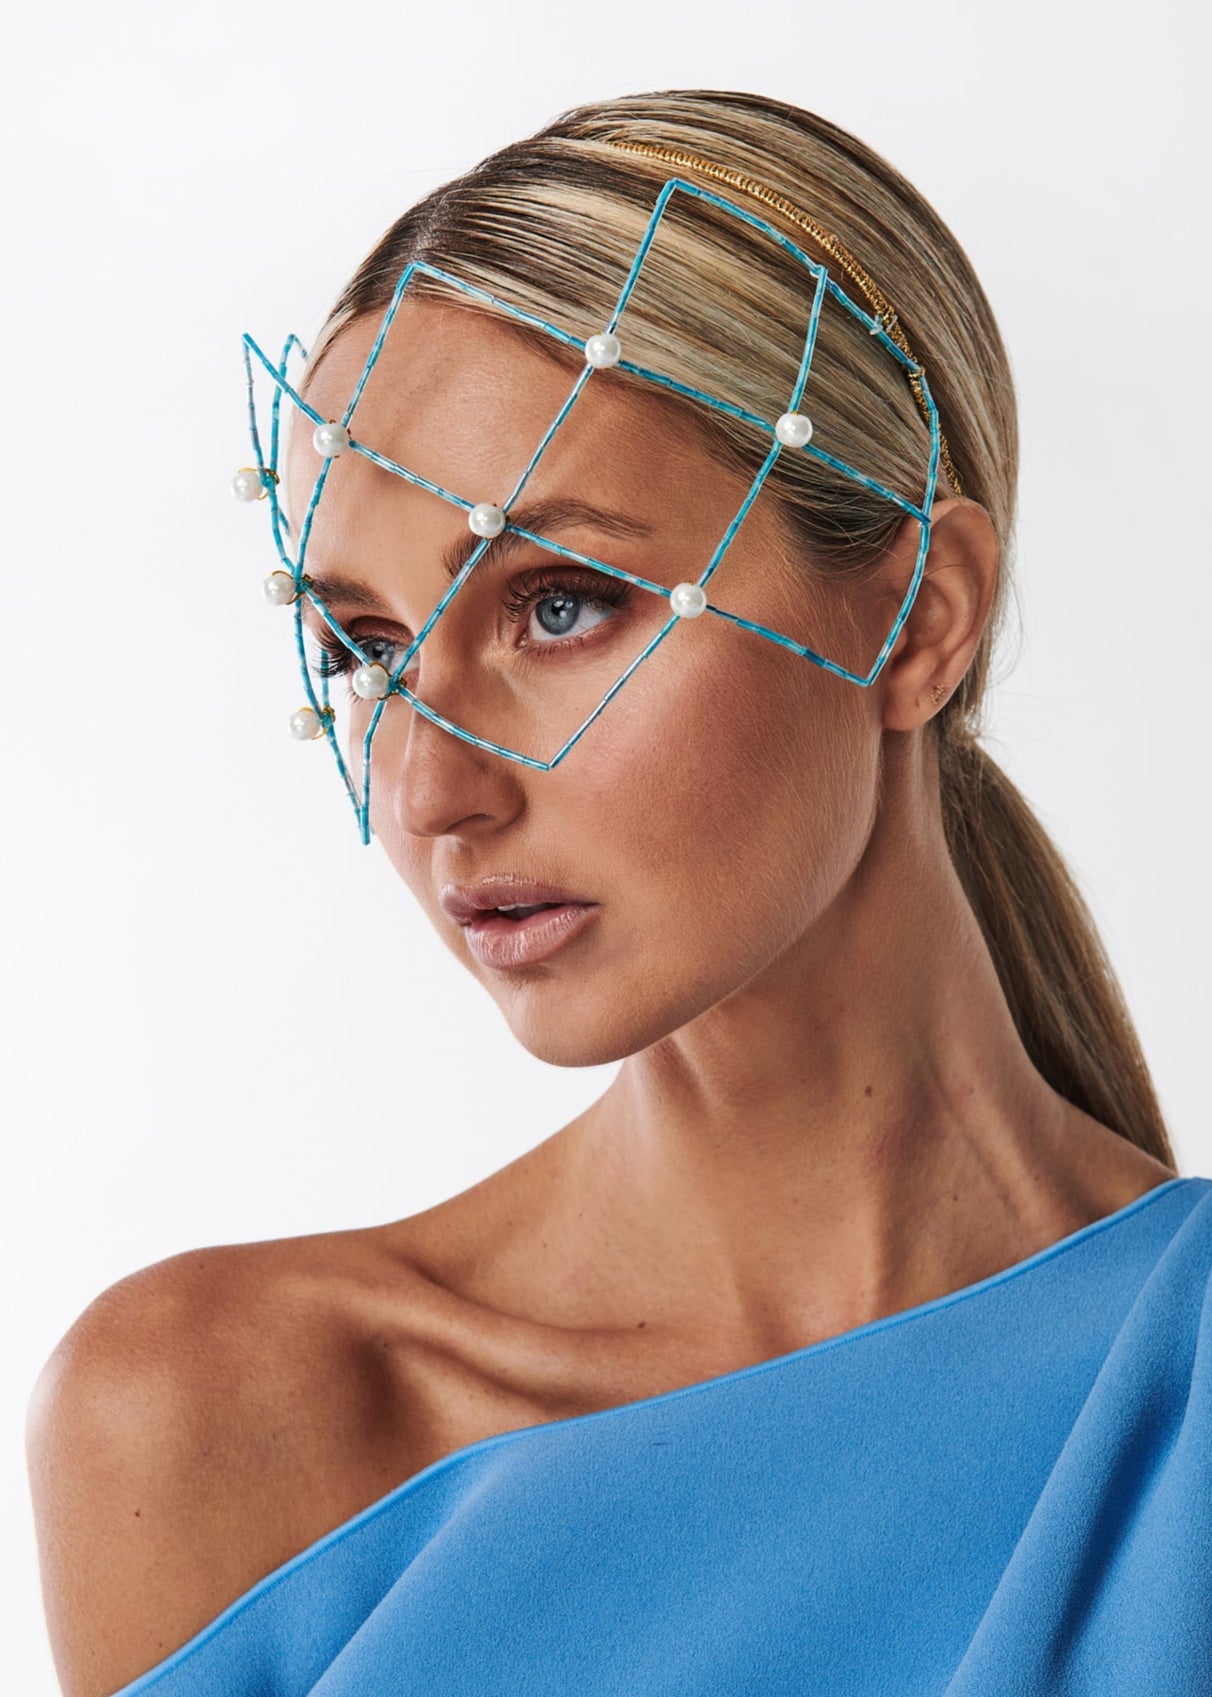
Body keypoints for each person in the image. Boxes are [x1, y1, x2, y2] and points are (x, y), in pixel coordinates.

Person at [26, 88, 1211, 1697]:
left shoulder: (1180, 1391)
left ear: (918, 620)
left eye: (562, 603)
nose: (432, 786)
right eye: (366, 649)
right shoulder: (225, 1419)